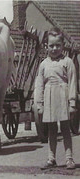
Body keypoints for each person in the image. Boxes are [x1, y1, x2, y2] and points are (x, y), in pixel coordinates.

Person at [35, 27, 77, 170]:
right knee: (51, 130)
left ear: (63, 45)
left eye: (57, 45)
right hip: (49, 99)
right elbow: (39, 85)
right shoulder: (43, 65)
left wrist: (72, 103)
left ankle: (69, 159)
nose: (54, 48)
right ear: (46, 46)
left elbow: (72, 83)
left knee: (65, 129)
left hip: (63, 97)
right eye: (51, 45)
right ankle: (51, 158)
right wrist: (39, 104)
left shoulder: (68, 62)